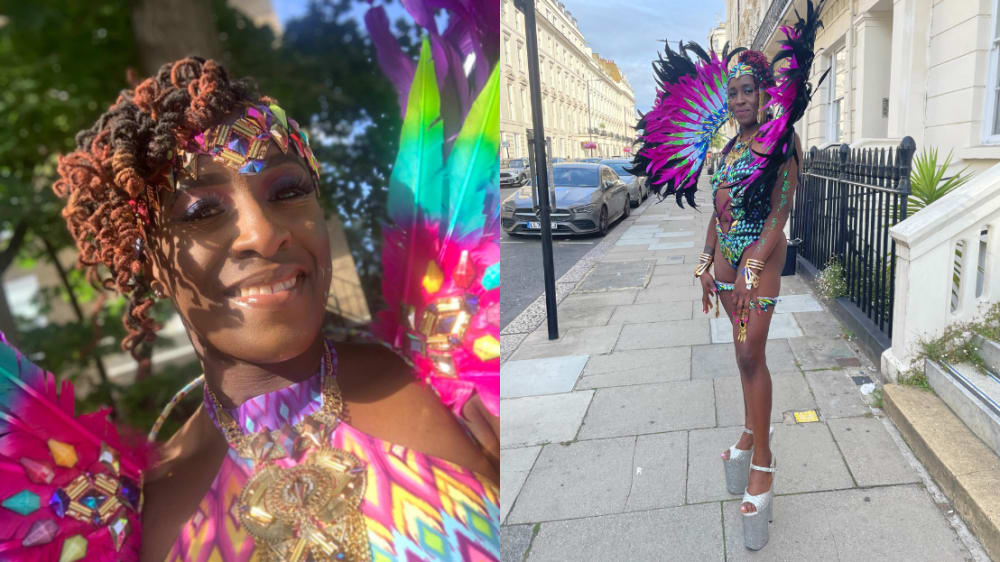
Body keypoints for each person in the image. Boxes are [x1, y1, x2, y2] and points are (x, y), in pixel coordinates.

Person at [0, 35, 499, 562]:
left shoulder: (452, 376)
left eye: (287, 192)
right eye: (200, 212)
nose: (263, 234)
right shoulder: (140, 516)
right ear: (153, 266)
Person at [629, 0, 825, 550]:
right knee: (743, 354)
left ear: (766, 93)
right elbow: (717, 210)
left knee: (748, 353)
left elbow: (779, 215)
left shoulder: (780, 144)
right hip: (726, 261)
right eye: (733, 92)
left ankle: (763, 460)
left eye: (748, 91)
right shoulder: (729, 146)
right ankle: (748, 429)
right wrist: (704, 263)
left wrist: (750, 268)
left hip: (762, 258)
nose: (739, 100)